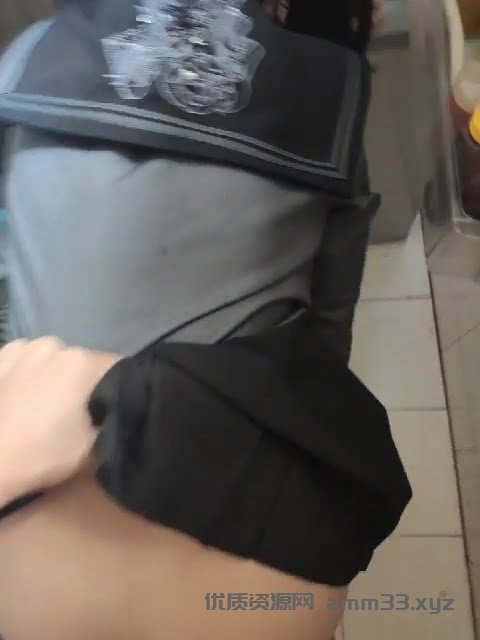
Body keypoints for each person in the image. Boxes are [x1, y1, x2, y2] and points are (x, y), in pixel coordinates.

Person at [0, 2, 409, 640]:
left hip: (30, 507)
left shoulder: (35, 51)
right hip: (261, 565)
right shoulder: (330, 83)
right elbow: (325, 340)